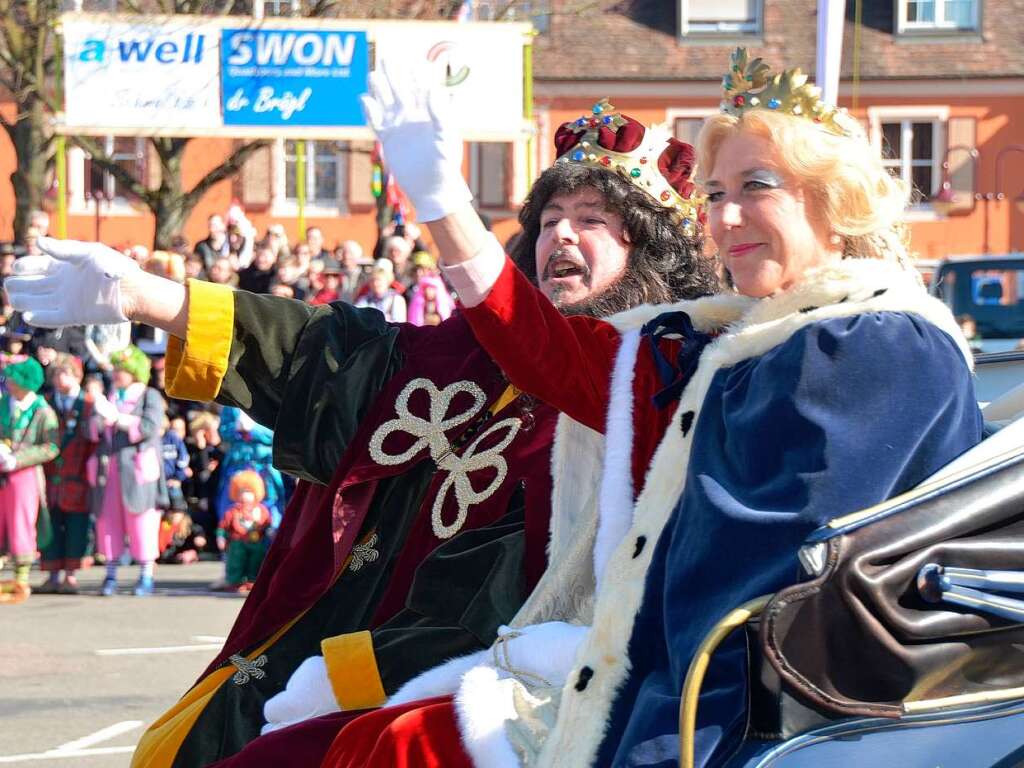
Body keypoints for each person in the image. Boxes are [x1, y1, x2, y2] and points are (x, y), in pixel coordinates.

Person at [320, 52, 985, 767]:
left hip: (760, 719)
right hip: (657, 682)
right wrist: (441, 202)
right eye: (716, 192)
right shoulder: (735, 340)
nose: (726, 217)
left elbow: (770, 598)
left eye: (756, 187)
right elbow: (545, 346)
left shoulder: (863, 344)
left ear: (836, 199)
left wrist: (647, 739)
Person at [4, 104, 716, 767]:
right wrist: (149, 298)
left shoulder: (647, 384)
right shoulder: (465, 351)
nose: (560, 233)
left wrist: (352, 675)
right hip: (323, 656)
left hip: (484, 698)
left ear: (649, 249)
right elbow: (329, 356)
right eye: (552, 216)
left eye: (591, 219)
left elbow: (509, 588)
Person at [88, 344, 167, 597]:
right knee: (109, 521)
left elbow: (149, 427)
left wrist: (119, 419)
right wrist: (97, 418)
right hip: (109, 469)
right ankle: (110, 573)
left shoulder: (149, 395)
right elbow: (91, 433)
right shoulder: (110, 396)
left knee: (142, 522)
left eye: (122, 370)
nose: (117, 374)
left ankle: (146, 575)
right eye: (116, 369)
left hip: (138, 470)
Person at [0, 358, 59, 604]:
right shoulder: (4, 404)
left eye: (13, 380)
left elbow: (52, 446)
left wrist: (19, 458)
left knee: (20, 523)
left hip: (24, 474)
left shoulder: (42, 410)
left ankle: (21, 579)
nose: (9, 384)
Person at [37, 354, 96, 595]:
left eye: (66, 373)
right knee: (49, 526)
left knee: (76, 527)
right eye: (57, 374)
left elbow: (95, 441)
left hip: (79, 475)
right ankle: (52, 575)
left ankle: (70, 576)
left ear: (77, 376)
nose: (61, 378)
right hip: (50, 476)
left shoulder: (89, 403)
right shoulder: (46, 402)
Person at [216, 469, 273, 592]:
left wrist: (270, 532)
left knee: (256, 562)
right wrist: (220, 537)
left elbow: (268, 524)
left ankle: (253, 580)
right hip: (237, 543)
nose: (246, 495)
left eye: (249, 492)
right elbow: (223, 526)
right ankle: (234, 581)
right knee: (236, 562)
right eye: (242, 491)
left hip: (256, 542)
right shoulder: (232, 511)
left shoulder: (261, 510)